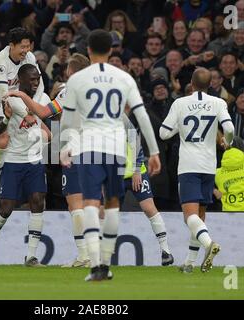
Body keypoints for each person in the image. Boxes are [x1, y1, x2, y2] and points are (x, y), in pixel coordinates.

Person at [59, 29, 161, 281]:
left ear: (89, 51)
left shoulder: (77, 80)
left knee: (91, 204)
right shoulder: (123, 78)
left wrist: (65, 146)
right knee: (112, 205)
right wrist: (154, 150)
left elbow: (68, 120)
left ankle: (96, 266)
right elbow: (141, 115)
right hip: (115, 149)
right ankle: (105, 262)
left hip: (89, 147)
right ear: (112, 50)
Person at [7, 53, 91, 268]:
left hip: (74, 150)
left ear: (71, 71)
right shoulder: (99, 91)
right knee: (92, 205)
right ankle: (94, 255)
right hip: (97, 151)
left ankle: (84, 256)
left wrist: (21, 96)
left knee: (75, 204)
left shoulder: (69, 92)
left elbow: (44, 112)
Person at [159, 67, 234, 273]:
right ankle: (190, 263)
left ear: (191, 84)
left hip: (189, 165)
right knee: (200, 215)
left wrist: (180, 127)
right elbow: (229, 129)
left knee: (189, 217)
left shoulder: (180, 103)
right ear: (210, 85)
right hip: (209, 166)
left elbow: (164, 133)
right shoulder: (218, 102)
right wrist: (227, 143)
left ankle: (209, 244)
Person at [0, 64, 51, 267]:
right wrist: (9, 117)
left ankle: (31, 257)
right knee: (7, 208)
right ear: (20, 79)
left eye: (37, 78)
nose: (35, 82)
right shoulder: (8, 98)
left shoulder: (43, 98)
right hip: (13, 160)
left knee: (38, 202)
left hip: (35, 160)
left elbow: (46, 117)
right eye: (31, 79)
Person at [0, 27, 44, 206]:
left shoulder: (29, 58)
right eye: (22, 47)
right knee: (2, 141)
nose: (26, 51)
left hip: (20, 102)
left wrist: (35, 109)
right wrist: (26, 114)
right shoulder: (0, 61)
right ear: (11, 46)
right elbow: (5, 97)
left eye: (28, 46)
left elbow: (39, 85)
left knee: (45, 135)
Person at [123, 114, 173, 265]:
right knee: (105, 211)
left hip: (134, 172)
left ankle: (166, 252)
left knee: (149, 208)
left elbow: (135, 141)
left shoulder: (120, 117)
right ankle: (98, 255)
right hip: (114, 174)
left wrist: (137, 169)